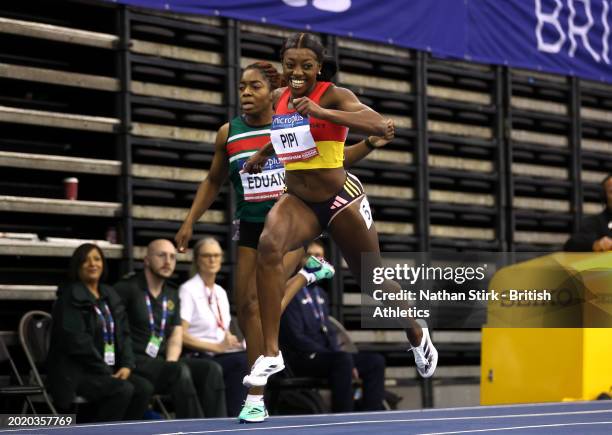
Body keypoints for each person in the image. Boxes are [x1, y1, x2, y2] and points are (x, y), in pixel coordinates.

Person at [174, 61, 392, 422]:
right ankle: (306, 278)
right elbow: (213, 181)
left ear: (274, 92)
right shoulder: (229, 132)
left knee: (261, 303)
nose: (246, 93)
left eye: (254, 87)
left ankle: (255, 397)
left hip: (290, 226)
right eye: (242, 87)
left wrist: (368, 142)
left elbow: (336, 160)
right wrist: (188, 221)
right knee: (246, 310)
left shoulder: (294, 121)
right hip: (249, 225)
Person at [241, 32, 437, 388]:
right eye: (290, 65)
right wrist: (261, 156)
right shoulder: (280, 99)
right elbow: (284, 135)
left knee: (372, 281)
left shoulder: (334, 95)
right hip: (298, 201)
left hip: (340, 198)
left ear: (319, 67)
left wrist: (320, 110)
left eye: (306, 66)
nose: (297, 72)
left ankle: (416, 333)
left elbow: (379, 125)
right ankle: (270, 353)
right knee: (269, 247)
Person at [114, 239, 226, 418]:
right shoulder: (127, 289)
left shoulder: (172, 294)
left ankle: (219, 427)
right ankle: (195, 430)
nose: (168, 261)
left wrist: (171, 362)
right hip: (135, 361)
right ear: (147, 260)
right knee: (179, 371)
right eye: (161, 255)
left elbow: (175, 334)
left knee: (210, 369)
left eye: (173, 257)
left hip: (160, 362)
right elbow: (115, 329)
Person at [47, 243, 153, 422]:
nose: (92, 264)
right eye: (85, 260)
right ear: (77, 266)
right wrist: (105, 370)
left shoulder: (109, 294)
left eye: (97, 259)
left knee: (144, 388)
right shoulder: (70, 297)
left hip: (108, 371)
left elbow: (125, 334)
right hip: (78, 373)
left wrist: (127, 365)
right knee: (122, 389)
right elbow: (77, 343)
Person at [280, 240, 386, 412]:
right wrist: (336, 355)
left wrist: (339, 353)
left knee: (375, 362)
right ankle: (344, 418)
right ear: (300, 259)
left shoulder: (321, 293)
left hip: (328, 356)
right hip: (303, 357)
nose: (317, 260)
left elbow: (329, 332)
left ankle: (372, 416)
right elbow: (296, 338)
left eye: (320, 256)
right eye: (311, 256)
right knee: (342, 361)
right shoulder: (290, 291)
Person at [179, 237, 248, 417]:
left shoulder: (220, 292)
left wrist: (232, 340)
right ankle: (235, 419)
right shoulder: (188, 290)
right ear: (197, 259)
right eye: (207, 256)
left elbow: (222, 328)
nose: (212, 260)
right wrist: (215, 346)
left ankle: (247, 414)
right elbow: (181, 334)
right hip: (199, 355)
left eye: (216, 255)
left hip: (222, 353)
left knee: (255, 359)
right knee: (241, 363)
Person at [564, 174, 612, 251]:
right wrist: (597, 244)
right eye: (611, 191)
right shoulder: (596, 222)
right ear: (604, 196)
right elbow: (572, 244)